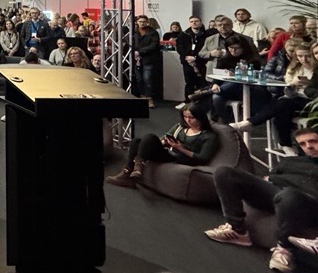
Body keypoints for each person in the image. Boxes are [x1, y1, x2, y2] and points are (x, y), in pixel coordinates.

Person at [204, 127, 318, 273]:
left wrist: (278, 181)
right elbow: (267, 178)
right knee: (224, 172)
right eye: (303, 144)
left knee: (288, 195)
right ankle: (237, 230)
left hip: (306, 203)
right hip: (276, 194)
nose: (308, 146)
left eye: (313, 141)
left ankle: (284, 249)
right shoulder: (289, 162)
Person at [230, 42, 317, 156]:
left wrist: (308, 85)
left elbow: (311, 91)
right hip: (295, 98)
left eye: (307, 56)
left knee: (283, 104)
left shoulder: (315, 69)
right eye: (300, 56)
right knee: (282, 107)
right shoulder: (295, 68)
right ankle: (285, 145)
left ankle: (250, 123)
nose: (304, 59)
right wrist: (292, 84)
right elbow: (289, 92)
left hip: (311, 101)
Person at [106, 104, 218, 188]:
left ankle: (138, 166)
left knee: (150, 137)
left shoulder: (208, 136)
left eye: (191, 118)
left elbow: (202, 158)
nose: (188, 120)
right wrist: (164, 142)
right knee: (136, 141)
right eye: (185, 117)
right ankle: (127, 172)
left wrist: (180, 148)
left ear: (200, 117)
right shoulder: (180, 127)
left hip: (181, 158)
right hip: (169, 151)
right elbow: (164, 137)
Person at [176, 16, 209, 99]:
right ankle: (187, 101)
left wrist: (196, 57)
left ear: (201, 22)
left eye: (196, 21)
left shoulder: (206, 35)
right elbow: (180, 48)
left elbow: (206, 48)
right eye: (191, 21)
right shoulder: (183, 35)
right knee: (189, 82)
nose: (194, 23)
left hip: (202, 62)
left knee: (202, 82)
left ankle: (202, 102)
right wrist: (188, 57)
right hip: (187, 62)